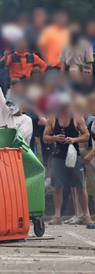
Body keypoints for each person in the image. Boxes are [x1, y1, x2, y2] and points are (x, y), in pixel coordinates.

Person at [43, 93, 93, 225]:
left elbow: (86, 135)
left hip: (73, 155)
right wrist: (54, 138)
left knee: (80, 186)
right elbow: (45, 138)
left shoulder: (76, 117)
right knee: (58, 187)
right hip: (58, 155)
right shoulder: (52, 118)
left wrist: (74, 139)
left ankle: (86, 214)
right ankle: (57, 215)